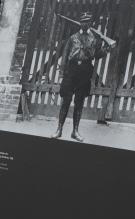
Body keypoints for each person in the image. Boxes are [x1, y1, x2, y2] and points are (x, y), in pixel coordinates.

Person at [44, 12, 116, 142]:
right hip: (71, 71)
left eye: (87, 21)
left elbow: (96, 55)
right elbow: (65, 55)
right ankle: (59, 129)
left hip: (85, 71)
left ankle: (75, 131)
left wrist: (107, 49)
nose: (84, 23)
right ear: (80, 23)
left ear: (91, 23)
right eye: (82, 21)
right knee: (66, 100)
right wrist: (61, 72)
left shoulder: (95, 39)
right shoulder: (72, 38)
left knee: (79, 102)